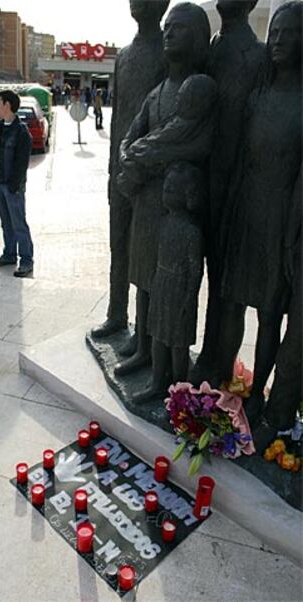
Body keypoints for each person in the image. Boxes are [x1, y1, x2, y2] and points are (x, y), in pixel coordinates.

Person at [114, 3, 214, 377]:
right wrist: (128, 155)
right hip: (146, 199)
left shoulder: (199, 87)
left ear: (199, 37)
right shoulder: (158, 91)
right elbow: (133, 133)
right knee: (142, 277)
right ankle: (142, 346)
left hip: (173, 205)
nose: (169, 33)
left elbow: (179, 138)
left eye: (180, 28)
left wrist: (136, 158)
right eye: (168, 27)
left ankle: (163, 366)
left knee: (164, 284)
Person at [218, 1, 302, 425]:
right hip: (246, 214)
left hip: (279, 223)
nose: (281, 41)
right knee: (233, 302)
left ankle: (260, 390)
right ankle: (227, 375)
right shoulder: (258, 97)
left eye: (291, 33)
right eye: (277, 32)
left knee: (270, 315)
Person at [192, 0, 265, 384]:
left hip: (236, 190)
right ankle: (204, 354)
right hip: (199, 184)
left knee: (228, 288)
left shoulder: (258, 56)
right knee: (203, 277)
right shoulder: (209, 44)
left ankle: (219, 366)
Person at [91, 0, 170, 341]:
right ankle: (116, 314)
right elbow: (118, 115)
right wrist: (113, 168)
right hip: (119, 171)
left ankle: (145, 331)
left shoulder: (168, 51)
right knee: (118, 245)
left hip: (150, 175)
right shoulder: (123, 55)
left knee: (145, 254)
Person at [132, 162, 205, 402]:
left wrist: (188, 301)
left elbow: (196, 271)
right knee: (158, 338)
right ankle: (156, 383)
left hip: (179, 291)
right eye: (166, 189)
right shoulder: (164, 223)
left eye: (172, 190)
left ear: (189, 196)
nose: (166, 194)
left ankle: (178, 390)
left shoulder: (192, 232)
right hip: (161, 285)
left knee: (178, 343)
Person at [117, 74, 217, 199]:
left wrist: (158, 154)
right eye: (179, 95)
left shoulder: (198, 123)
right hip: (144, 187)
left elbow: (202, 148)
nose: (178, 100)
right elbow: (131, 137)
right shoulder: (156, 97)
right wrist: (125, 157)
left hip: (175, 192)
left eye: (183, 97)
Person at [0, 90, 34, 278]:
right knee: (5, 222)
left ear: (7, 105)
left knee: (18, 223)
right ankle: (9, 254)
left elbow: (22, 163)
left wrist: (14, 185)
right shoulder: (0, 126)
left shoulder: (22, 131)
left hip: (12, 186)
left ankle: (26, 260)